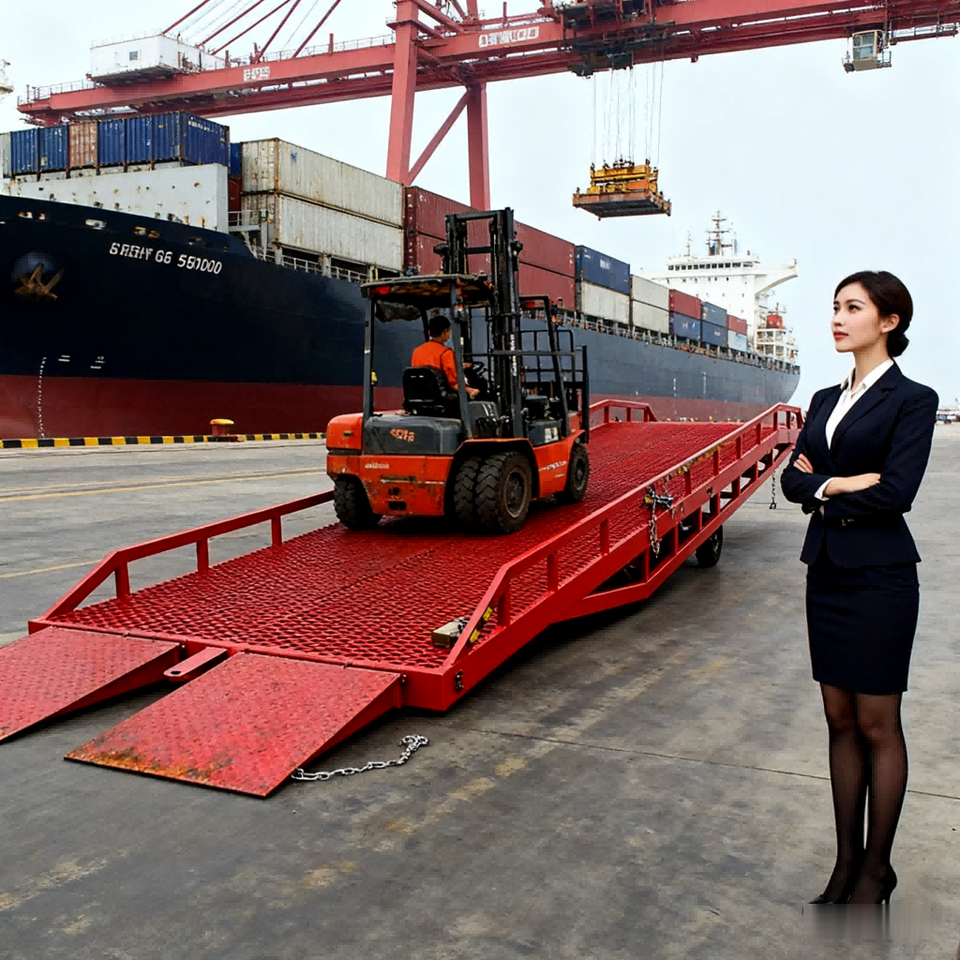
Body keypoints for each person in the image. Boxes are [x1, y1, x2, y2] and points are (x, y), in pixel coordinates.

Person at [780, 271, 938, 905]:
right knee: (838, 720)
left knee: (877, 724)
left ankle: (876, 872)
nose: (837, 318)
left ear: (889, 321)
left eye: (852, 308)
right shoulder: (822, 399)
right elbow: (791, 481)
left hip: (880, 578)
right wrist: (841, 483)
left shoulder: (913, 399)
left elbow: (897, 492)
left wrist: (823, 484)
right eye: (835, 307)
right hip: (826, 572)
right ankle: (845, 865)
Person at [411, 313, 479, 399]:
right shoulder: (446, 353)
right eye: (449, 331)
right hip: (440, 396)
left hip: (419, 395)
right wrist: (469, 389)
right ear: (445, 332)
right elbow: (453, 382)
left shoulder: (416, 351)